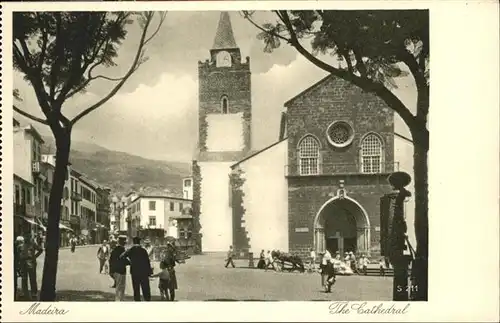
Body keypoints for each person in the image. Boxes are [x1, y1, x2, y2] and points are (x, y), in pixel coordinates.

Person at [120, 236, 153, 301]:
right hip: (144, 272)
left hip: (134, 272)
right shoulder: (143, 250)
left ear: (133, 242)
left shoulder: (131, 250)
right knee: (145, 287)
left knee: (136, 288)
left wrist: (129, 262)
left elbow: (122, 256)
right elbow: (147, 261)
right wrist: (149, 272)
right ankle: (147, 300)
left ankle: (137, 301)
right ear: (139, 242)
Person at [19, 234, 43, 300]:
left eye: (27, 236)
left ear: (30, 237)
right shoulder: (21, 245)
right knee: (24, 278)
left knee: (32, 278)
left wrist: (35, 256)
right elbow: (19, 253)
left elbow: (40, 250)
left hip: (31, 262)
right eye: (25, 236)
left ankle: (34, 292)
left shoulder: (33, 244)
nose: (26, 237)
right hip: (23, 263)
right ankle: (24, 292)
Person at [109, 235, 129, 301]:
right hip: (121, 271)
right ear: (123, 243)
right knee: (121, 288)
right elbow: (124, 260)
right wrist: (130, 262)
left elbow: (111, 261)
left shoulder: (115, 250)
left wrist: (111, 271)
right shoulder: (122, 250)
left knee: (118, 287)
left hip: (115, 271)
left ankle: (119, 300)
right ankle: (119, 301)